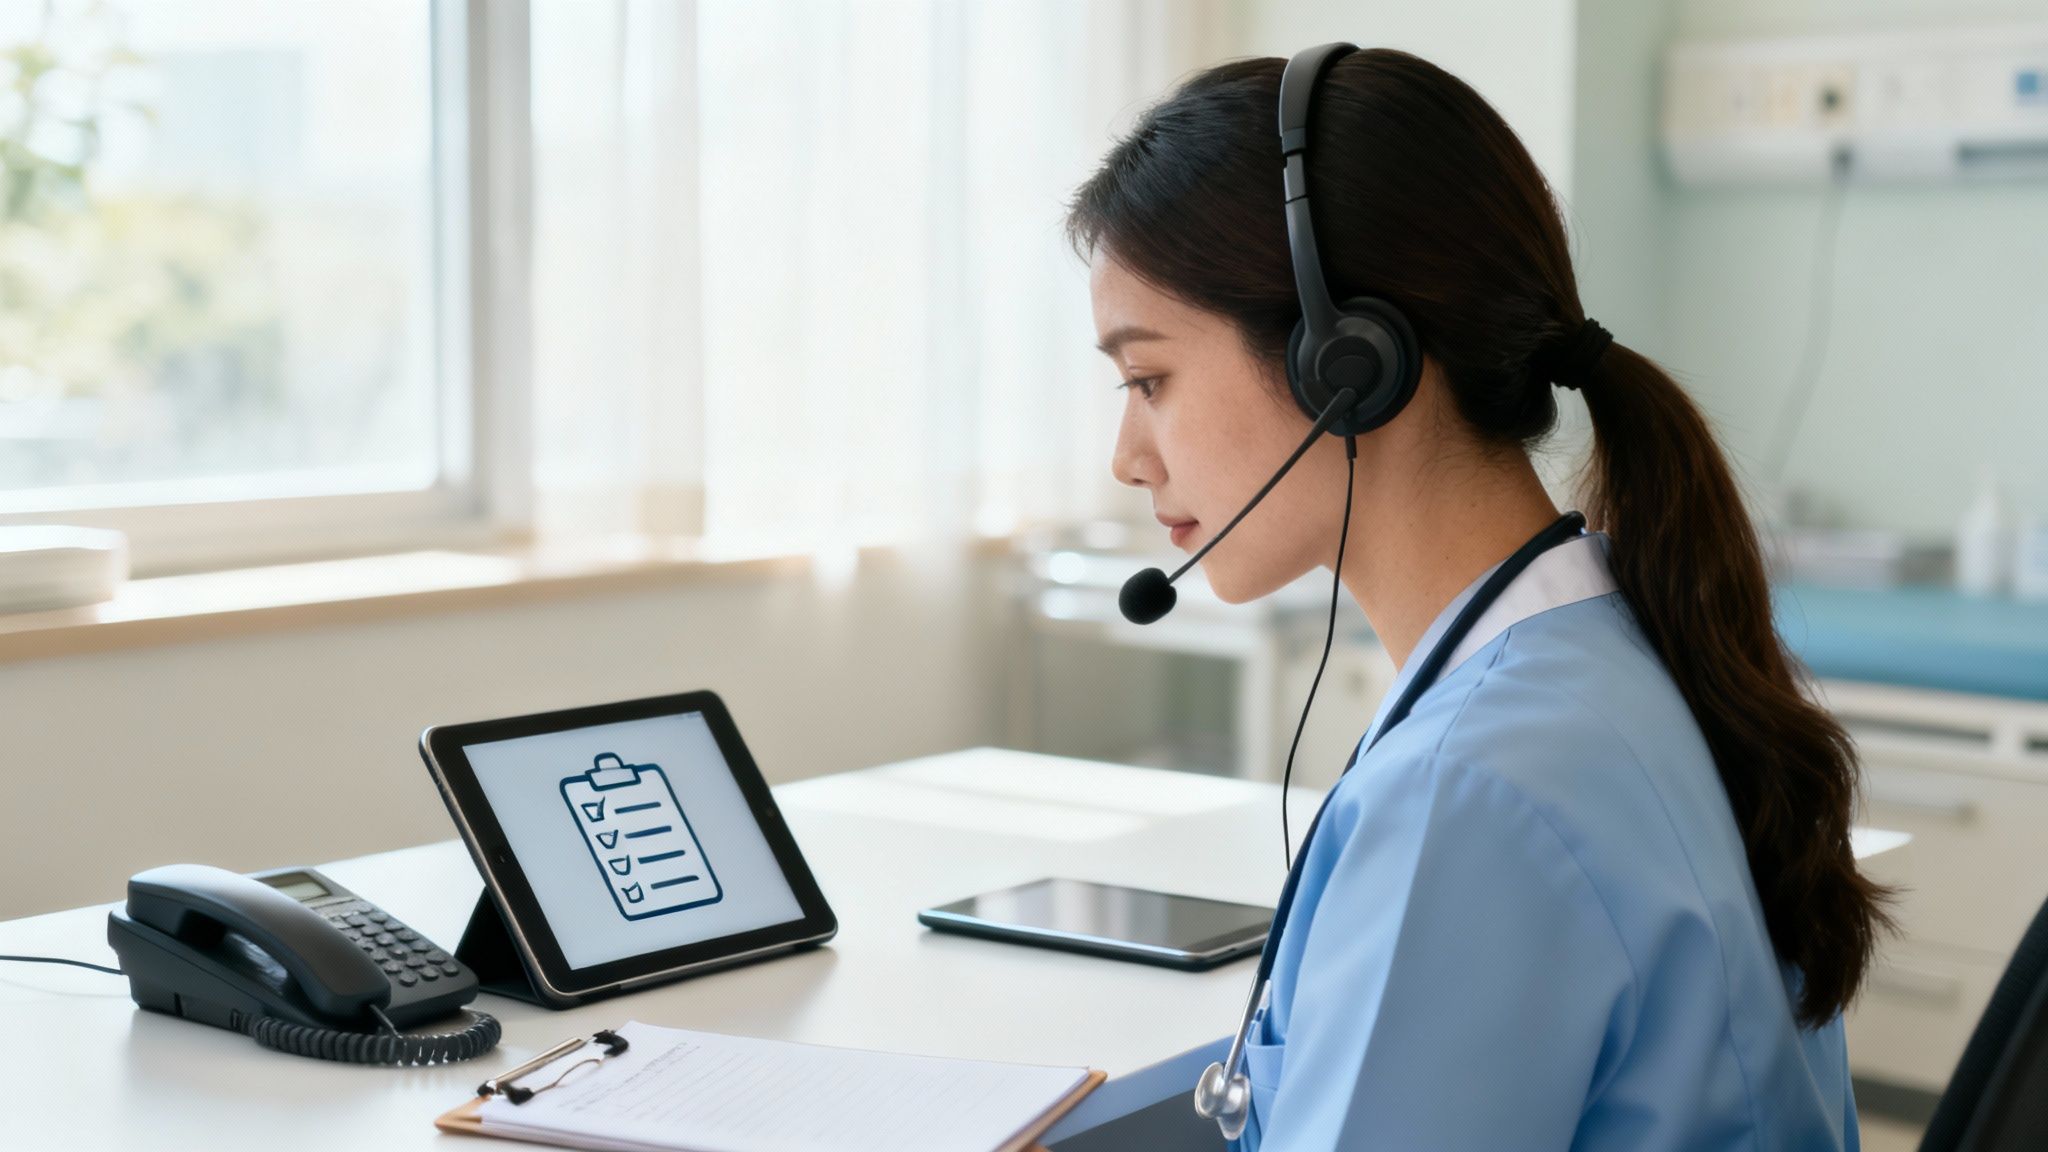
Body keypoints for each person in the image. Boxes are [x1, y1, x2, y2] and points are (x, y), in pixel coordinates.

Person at [1067, 48, 1892, 1150]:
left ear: (1343, 361)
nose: (1127, 457)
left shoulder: (1469, 794)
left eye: (1147, 380)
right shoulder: (1618, 645)